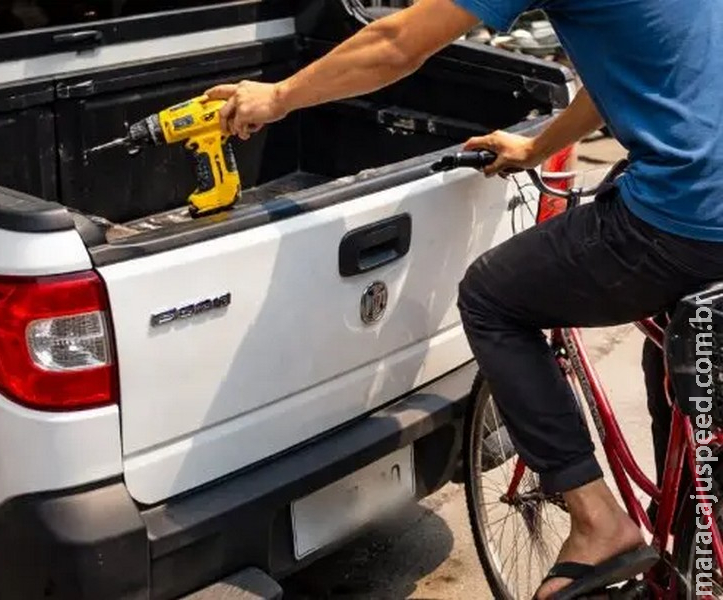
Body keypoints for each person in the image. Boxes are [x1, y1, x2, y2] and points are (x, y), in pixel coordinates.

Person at [205, 1, 723, 597]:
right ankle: (696, 551)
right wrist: (537, 147)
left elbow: (398, 42)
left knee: (491, 298)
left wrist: (277, 97)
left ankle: (597, 521)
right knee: (680, 365)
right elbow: (628, 74)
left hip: (686, 215)